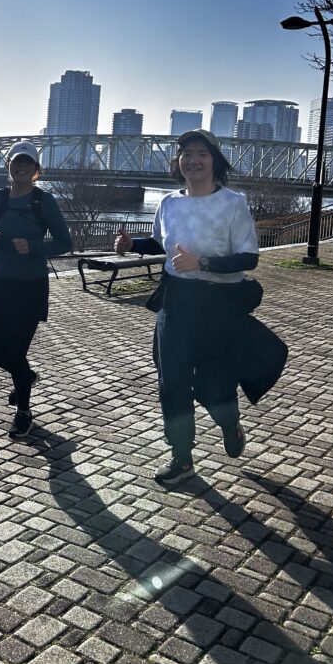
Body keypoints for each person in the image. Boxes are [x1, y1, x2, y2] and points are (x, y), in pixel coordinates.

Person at [115, 129, 259, 486]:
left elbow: (249, 257)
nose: (193, 160)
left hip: (218, 303)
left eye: (202, 153)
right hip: (176, 301)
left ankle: (229, 422)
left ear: (215, 161)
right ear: (178, 162)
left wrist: (203, 263)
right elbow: (161, 244)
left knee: (213, 381)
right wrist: (133, 245)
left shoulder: (233, 202)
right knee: (172, 382)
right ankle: (182, 457)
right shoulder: (169, 203)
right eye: (186, 154)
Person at [0, 141, 72, 437]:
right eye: (16, 162)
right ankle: (27, 376)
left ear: (36, 170)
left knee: (15, 350)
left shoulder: (43, 201)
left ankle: (23, 411)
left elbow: (65, 243)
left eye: (28, 163)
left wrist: (34, 247)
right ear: (8, 164)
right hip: (1, 283)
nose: (21, 167)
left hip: (31, 286)